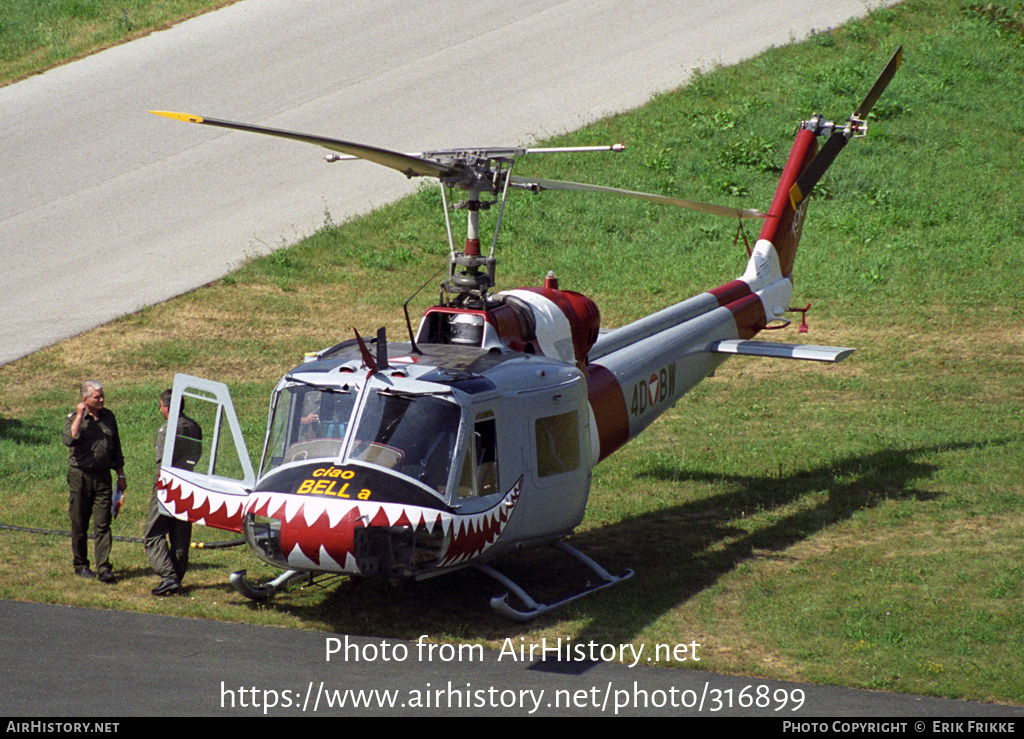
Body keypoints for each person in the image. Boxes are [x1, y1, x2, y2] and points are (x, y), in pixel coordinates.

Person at [62, 380, 126, 583]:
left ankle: (104, 567)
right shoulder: (74, 418)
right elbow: (69, 439)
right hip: (80, 476)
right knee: (79, 522)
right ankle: (80, 565)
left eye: (102, 395)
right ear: (85, 399)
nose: (102, 399)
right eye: (97, 397)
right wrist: (80, 415)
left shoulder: (109, 417)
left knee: (103, 523)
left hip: (103, 476)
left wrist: (121, 475)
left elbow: (116, 447)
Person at [145, 389, 202, 596]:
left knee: (153, 534)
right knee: (181, 533)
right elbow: (197, 454)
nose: (160, 409)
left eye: (160, 406)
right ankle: (177, 577)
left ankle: (168, 576)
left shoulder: (166, 429)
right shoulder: (194, 427)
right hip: (188, 483)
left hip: (167, 485)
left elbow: (161, 461)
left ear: (167, 407)